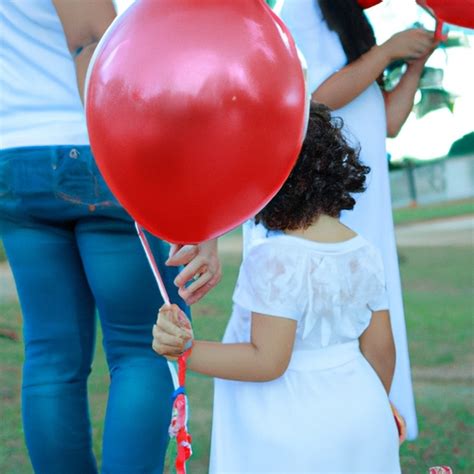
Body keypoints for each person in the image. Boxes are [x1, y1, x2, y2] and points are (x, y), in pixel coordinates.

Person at [0, 1, 220, 473]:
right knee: (142, 348)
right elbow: (92, 39)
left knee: (51, 357)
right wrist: (144, 164)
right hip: (89, 146)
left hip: (14, 155)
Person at [153, 103, 402, 473]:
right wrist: (377, 403)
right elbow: (381, 350)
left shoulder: (274, 258)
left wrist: (187, 351)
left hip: (295, 423)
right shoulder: (363, 251)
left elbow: (267, 360)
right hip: (363, 412)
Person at [263, 0, 439, 439]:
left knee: (371, 310)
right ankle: (327, 431)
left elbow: (389, 120)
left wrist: (415, 63)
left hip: (369, 197)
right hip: (325, 197)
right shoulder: (301, 7)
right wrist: (386, 51)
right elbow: (315, 97)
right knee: (327, 319)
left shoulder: (351, 17)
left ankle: (373, 425)